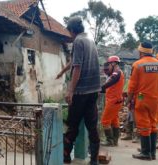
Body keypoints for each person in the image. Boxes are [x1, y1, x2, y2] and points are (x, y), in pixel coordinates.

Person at [63, 16, 101, 165]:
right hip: (93, 90)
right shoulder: (90, 39)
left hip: (81, 92)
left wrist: (70, 91)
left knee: (72, 125)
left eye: (69, 31)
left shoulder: (78, 41)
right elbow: (74, 62)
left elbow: (77, 67)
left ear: (72, 30)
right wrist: (62, 72)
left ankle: (66, 157)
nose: (70, 35)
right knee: (92, 127)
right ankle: (94, 161)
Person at [126, 41, 158, 160]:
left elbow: (132, 87)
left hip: (142, 99)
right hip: (156, 100)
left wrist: (128, 100)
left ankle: (145, 153)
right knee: (153, 124)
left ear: (141, 52)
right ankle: (152, 153)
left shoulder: (137, 65)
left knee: (144, 125)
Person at [100, 56, 124, 147]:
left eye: (109, 64)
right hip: (115, 100)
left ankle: (110, 141)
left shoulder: (117, 72)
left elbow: (110, 83)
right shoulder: (115, 73)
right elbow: (110, 86)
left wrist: (100, 88)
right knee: (114, 120)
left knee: (105, 121)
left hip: (113, 100)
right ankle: (115, 141)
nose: (108, 66)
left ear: (113, 63)